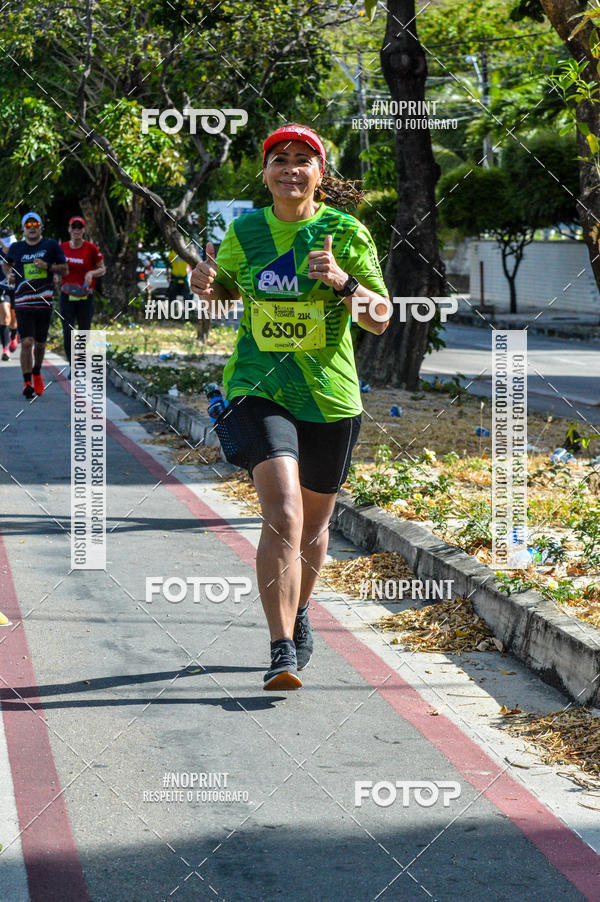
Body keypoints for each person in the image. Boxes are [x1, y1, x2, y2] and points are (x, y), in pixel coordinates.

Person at [191, 124, 391, 690]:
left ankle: (300, 611)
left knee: (314, 524)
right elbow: (226, 288)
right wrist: (204, 280)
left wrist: (345, 282)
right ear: (266, 172)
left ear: (320, 174)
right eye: (280, 159)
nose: (291, 168)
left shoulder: (345, 232)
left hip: (330, 396)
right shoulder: (248, 229)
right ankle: (281, 648)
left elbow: (381, 317)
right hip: (259, 386)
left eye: (304, 160)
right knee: (282, 511)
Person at [1, 212, 68, 397]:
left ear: (40, 227)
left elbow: (65, 269)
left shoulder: (50, 245)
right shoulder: (16, 247)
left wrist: (48, 267)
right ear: (23, 228)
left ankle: (37, 371)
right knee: (27, 342)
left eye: (35, 224)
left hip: (44, 302)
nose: (32, 227)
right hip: (22, 302)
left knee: (39, 344)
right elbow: (6, 264)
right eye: (28, 224)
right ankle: (27, 382)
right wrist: (9, 275)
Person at [59, 216, 106, 375]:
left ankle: (79, 361)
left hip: (85, 296)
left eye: (80, 227)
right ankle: (73, 365)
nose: (77, 230)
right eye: (74, 227)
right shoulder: (62, 247)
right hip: (66, 295)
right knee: (67, 332)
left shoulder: (91, 248)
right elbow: (56, 266)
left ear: (84, 230)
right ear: (69, 229)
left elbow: (102, 269)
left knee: (83, 332)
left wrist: (91, 273)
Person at [0, 227, 18, 360]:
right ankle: (5, 349)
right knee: (5, 315)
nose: (9, 245)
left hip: (16, 289)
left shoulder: (18, 251)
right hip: (2, 288)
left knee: (13, 316)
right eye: (6, 243)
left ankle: (13, 336)